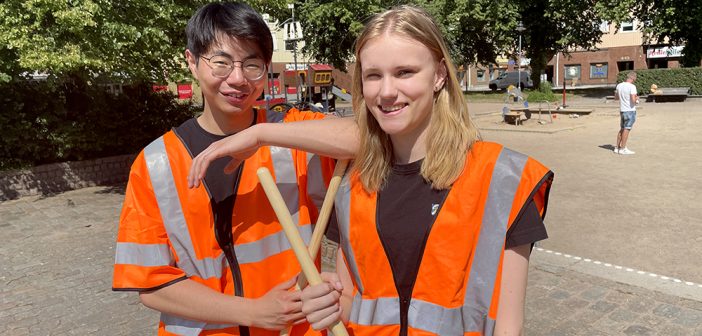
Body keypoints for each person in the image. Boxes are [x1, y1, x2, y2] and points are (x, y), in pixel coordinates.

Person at [189, 5, 553, 335]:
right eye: (373, 75)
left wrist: (260, 134)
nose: (387, 91)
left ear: (440, 75)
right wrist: (328, 305)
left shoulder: (503, 177)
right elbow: (356, 305)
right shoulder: (351, 185)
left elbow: (508, 326)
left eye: (405, 72)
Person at [112, 2, 355, 335]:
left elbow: (364, 137)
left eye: (252, 64)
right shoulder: (156, 163)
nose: (238, 78)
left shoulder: (290, 135)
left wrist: (259, 134)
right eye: (221, 62)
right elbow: (149, 281)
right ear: (192, 62)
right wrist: (252, 312)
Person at [614, 71, 638, 155]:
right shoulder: (632, 86)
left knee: (622, 128)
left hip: (622, 110)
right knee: (627, 129)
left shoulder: (619, 85)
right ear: (633, 78)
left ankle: (617, 147)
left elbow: (616, 98)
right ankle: (623, 148)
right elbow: (633, 100)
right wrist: (637, 100)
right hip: (630, 110)